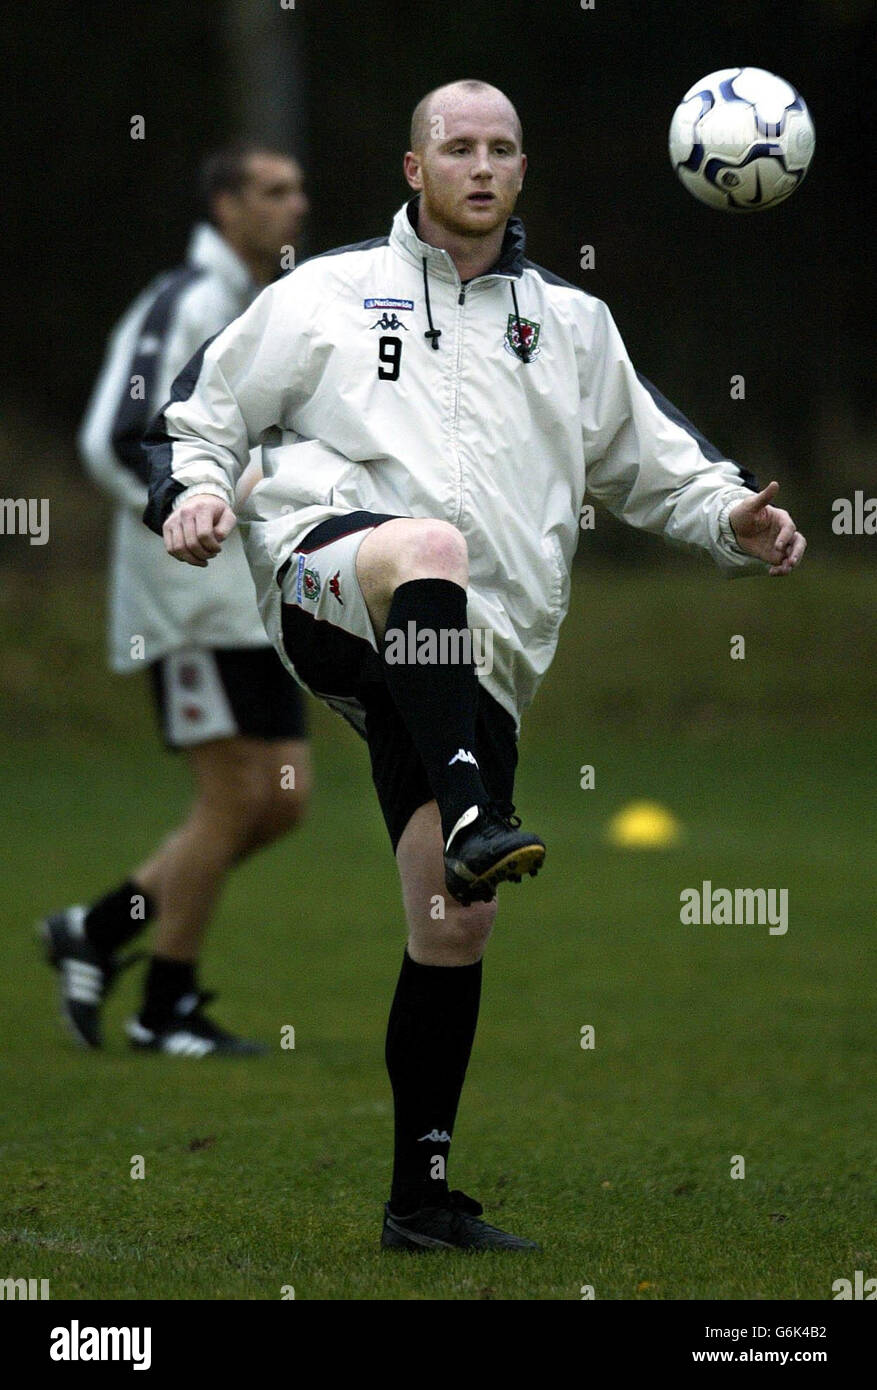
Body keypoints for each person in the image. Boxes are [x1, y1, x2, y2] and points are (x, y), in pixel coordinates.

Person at [144, 82, 805, 1244]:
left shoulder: (573, 325)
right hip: (327, 575)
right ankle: (473, 812)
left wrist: (732, 523)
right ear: (414, 168)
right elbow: (200, 416)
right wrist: (197, 494)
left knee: (453, 926)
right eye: (457, 147)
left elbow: (656, 463)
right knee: (425, 546)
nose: (481, 165)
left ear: (522, 168)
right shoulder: (327, 295)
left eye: (502, 146)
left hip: (472, 655)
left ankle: (420, 1200)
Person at [40, 143, 313, 1057]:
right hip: (188, 601)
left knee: (282, 800)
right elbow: (117, 438)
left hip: (249, 602)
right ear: (225, 205)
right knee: (234, 796)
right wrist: (183, 516)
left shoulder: (259, 307)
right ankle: (166, 1006)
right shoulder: (183, 301)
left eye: (298, 190)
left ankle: (98, 930)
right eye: (274, 192)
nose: (295, 207)